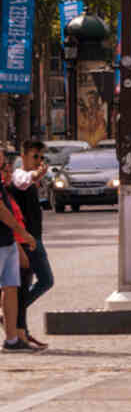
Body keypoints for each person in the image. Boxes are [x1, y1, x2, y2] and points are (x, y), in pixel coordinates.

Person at [9, 141, 52, 350]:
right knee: (45, 280)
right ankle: (13, 317)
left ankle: (20, 328)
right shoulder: (19, 175)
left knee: (28, 284)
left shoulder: (32, 179)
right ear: (24, 155)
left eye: (41, 158)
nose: (39, 162)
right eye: (35, 157)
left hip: (34, 238)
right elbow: (24, 180)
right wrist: (36, 175)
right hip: (28, 240)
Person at [1, 157, 38, 352]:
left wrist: (16, 243)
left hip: (8, 242)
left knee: (11, 289)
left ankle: (12, 339)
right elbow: (1, 212)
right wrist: (23, 234)